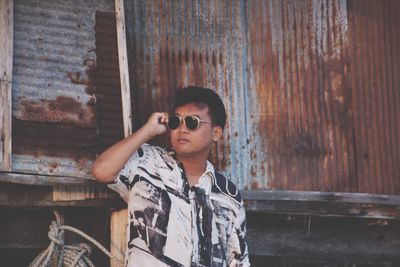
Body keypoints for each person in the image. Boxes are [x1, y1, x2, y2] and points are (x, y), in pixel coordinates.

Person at [91, 86, 250, 267]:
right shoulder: (147, 162)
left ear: (216, 132)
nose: (182, 128)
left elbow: (238, 261)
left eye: (192, 122)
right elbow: (101, 170)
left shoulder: (228, 195)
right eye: (175, 122)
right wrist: (147, 131)